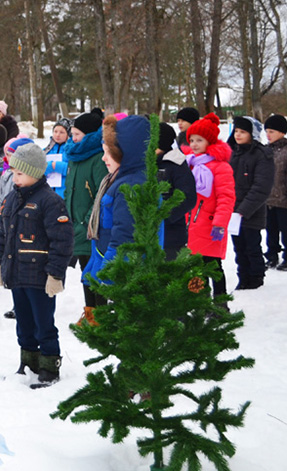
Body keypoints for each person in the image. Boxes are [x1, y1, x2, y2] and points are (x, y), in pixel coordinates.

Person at [0, 142, 72, 387]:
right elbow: (3, 234)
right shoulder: (12, 199)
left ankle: (49, 365)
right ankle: (28, 361)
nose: (14, 178)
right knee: (24, 323)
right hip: (17, 274)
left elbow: (62, 241)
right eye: (14, 172)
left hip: (40, 277)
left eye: (19, 173)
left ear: (35, 173)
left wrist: (55, 275)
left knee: (43, 323)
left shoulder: (50, 201)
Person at [81, 115, 151, 316]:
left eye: (107, 153)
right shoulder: (116, 179)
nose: (103, 158)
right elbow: (105, 230)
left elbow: (124, 236)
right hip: (112, 264)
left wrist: (107, 272)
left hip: (126, 273)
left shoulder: (129, 186)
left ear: (125, 153)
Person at [62, 111, 109, 325]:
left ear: (90, 135)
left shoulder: (98, 157)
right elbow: (70, 190)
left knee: (95, 270)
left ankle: (101, 314)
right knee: (84, 270)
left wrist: (88, 220)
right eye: (72, 133)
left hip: (91, 225)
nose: (73, 138)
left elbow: (101, 192)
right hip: (75, 224)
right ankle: (90, 312)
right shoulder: (74, 156)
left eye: (78, 134)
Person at [184, 113, 235, 306]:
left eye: (199, 140)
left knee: (213, 267)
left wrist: (220, 223)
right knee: (196, 268)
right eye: (192, 140)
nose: (194, 144)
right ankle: (201, 303)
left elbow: (226, 197)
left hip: (210, 225)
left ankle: (221, 304)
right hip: (192, 225)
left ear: (210, 141)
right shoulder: (190, 164)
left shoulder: (220, 167)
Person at [228, 116, 274, 290]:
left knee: (252, 246)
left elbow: (262, 187)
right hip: (233, 210)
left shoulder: (262, 155)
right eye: (236, 131)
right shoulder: (233, 152)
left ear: (252, 134)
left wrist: (243, 209)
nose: (238, 135)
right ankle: (243, 277)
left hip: (251, 210)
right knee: (238, 248)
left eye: (243, 132)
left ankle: (255, 278)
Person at [0, 137, 33, 319]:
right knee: (11, 263)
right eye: (7, 154)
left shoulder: (26, 177)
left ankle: (27, 303)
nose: (8, 157)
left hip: (21, 224)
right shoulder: (6, 174)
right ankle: (17, 303)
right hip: (6, 222)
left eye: (12, 154)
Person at [155, 123, 197, 260]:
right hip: (149, 235)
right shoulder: (148, 163)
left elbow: (188, 196)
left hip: (171, 235)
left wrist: (165, 216)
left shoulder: (176, 163)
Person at [263, 114, 287, 270]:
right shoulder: (265, 151)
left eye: (271, 131)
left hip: (284, 199)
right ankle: (271, 255)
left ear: (281, 132)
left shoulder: (286, 151)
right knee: (270, 230)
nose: (268, 134)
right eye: (267, 131)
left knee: (286, 230)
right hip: (267, 199)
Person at [44, 118, 72, 198]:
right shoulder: (46, 150)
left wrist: (56, 166)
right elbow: (38, 169)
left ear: (68, 134)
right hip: (47, 193)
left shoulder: (71, 151)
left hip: (64, 194)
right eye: (55, 131)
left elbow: (73, 170)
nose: (57, 135)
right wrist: (48, 167)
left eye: (62, 132)